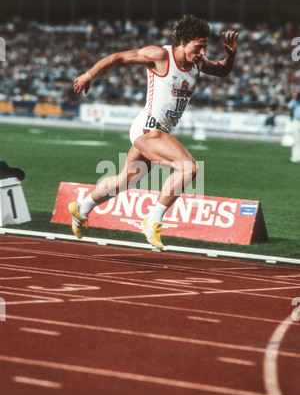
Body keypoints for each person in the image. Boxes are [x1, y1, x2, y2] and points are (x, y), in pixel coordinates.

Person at [69, 15, 238, 250]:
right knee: (188, 168)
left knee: (127, 180)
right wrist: (89, 74)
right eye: (198, 46)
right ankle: (153, 219)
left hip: (156, 131)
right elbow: (119, 57)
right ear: (182, 42)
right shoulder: (161, 55)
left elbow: (222, 72)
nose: (201, 52)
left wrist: (230, 55)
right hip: (148, 128)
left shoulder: (197, 63)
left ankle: (83, 206)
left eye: (205, 47)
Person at [288, 92, 300, 163]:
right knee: (296, 140)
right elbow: (289, 106)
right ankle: (295, 157)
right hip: (296, 121)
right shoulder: (295, 102)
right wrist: (295, 99)